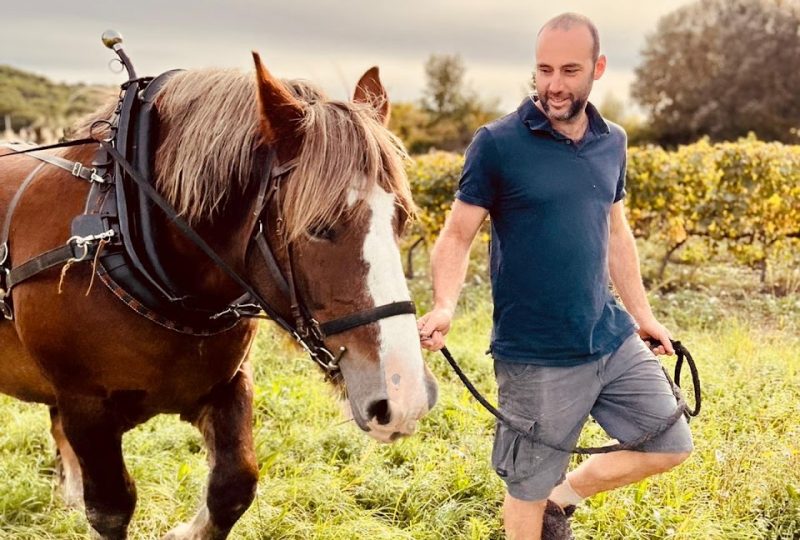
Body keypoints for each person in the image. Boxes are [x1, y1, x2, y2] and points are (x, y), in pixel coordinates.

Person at [417, 12, 693, 540]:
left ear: (598, 68)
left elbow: (616, 232)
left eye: (569, 70)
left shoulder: (613, 141)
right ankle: (540, 505)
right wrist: (445, 305)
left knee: (670, 443)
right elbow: (456, 235)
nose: (554, 85)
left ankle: (560, 502)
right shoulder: (497, 144)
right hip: (535, 354)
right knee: (525, 486)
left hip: (608, 337)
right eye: (544, 70)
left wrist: (644, 316)